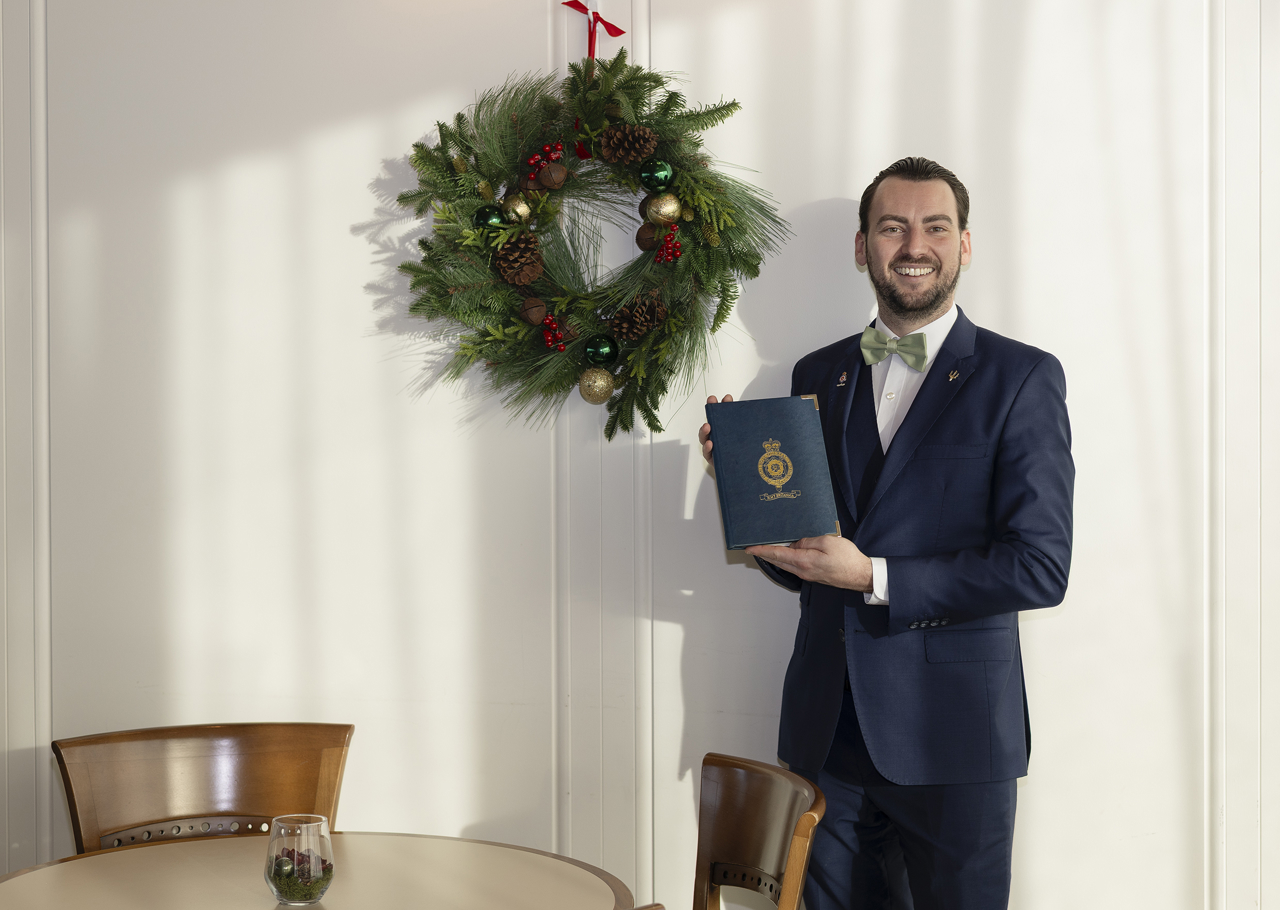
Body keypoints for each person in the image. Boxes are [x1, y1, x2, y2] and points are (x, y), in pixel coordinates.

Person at [697, 157, 1074, 910]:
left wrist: (873, 576)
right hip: (826, 736)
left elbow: (1039, 566)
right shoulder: (817, 373)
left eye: (936, 227)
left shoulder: (1021, 377)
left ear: (965, 244)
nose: (914, 245)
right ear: (862, 245)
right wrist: (746, 490)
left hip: (953, 738)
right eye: (892, 227)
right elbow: (809, 558)